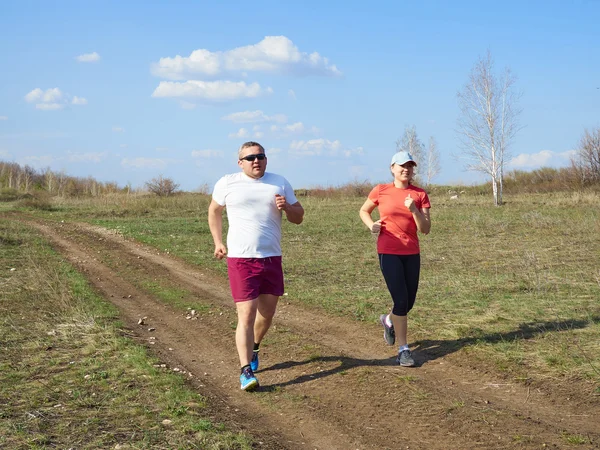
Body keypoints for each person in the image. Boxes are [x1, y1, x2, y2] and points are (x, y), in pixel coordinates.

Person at [208, 141, 304, 391]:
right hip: (241, 258)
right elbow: (214, 211)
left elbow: (299, 217)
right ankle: (245, 371)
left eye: (260, 156)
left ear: (266, 159)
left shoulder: (279, 182)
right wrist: (218, 242)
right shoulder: (227, 182)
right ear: (240, 163)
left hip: (271, 257)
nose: (256, 161)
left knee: (267, 313)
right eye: (250, 158)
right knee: (246, 315)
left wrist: (288, 207)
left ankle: (255, 346)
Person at [359, 151, 431, 367]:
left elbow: (426, 229)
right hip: (388, 251)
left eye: (409, 166)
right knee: (400, 300)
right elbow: (364, 210)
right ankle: (403, 350)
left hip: (412, 252)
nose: (406, 169)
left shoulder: (419, 194)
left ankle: (388, 319)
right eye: (401, 165)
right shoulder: (381, 190)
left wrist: (415, 210)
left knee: (408, 303)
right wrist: (371, 225)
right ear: (392, 168)